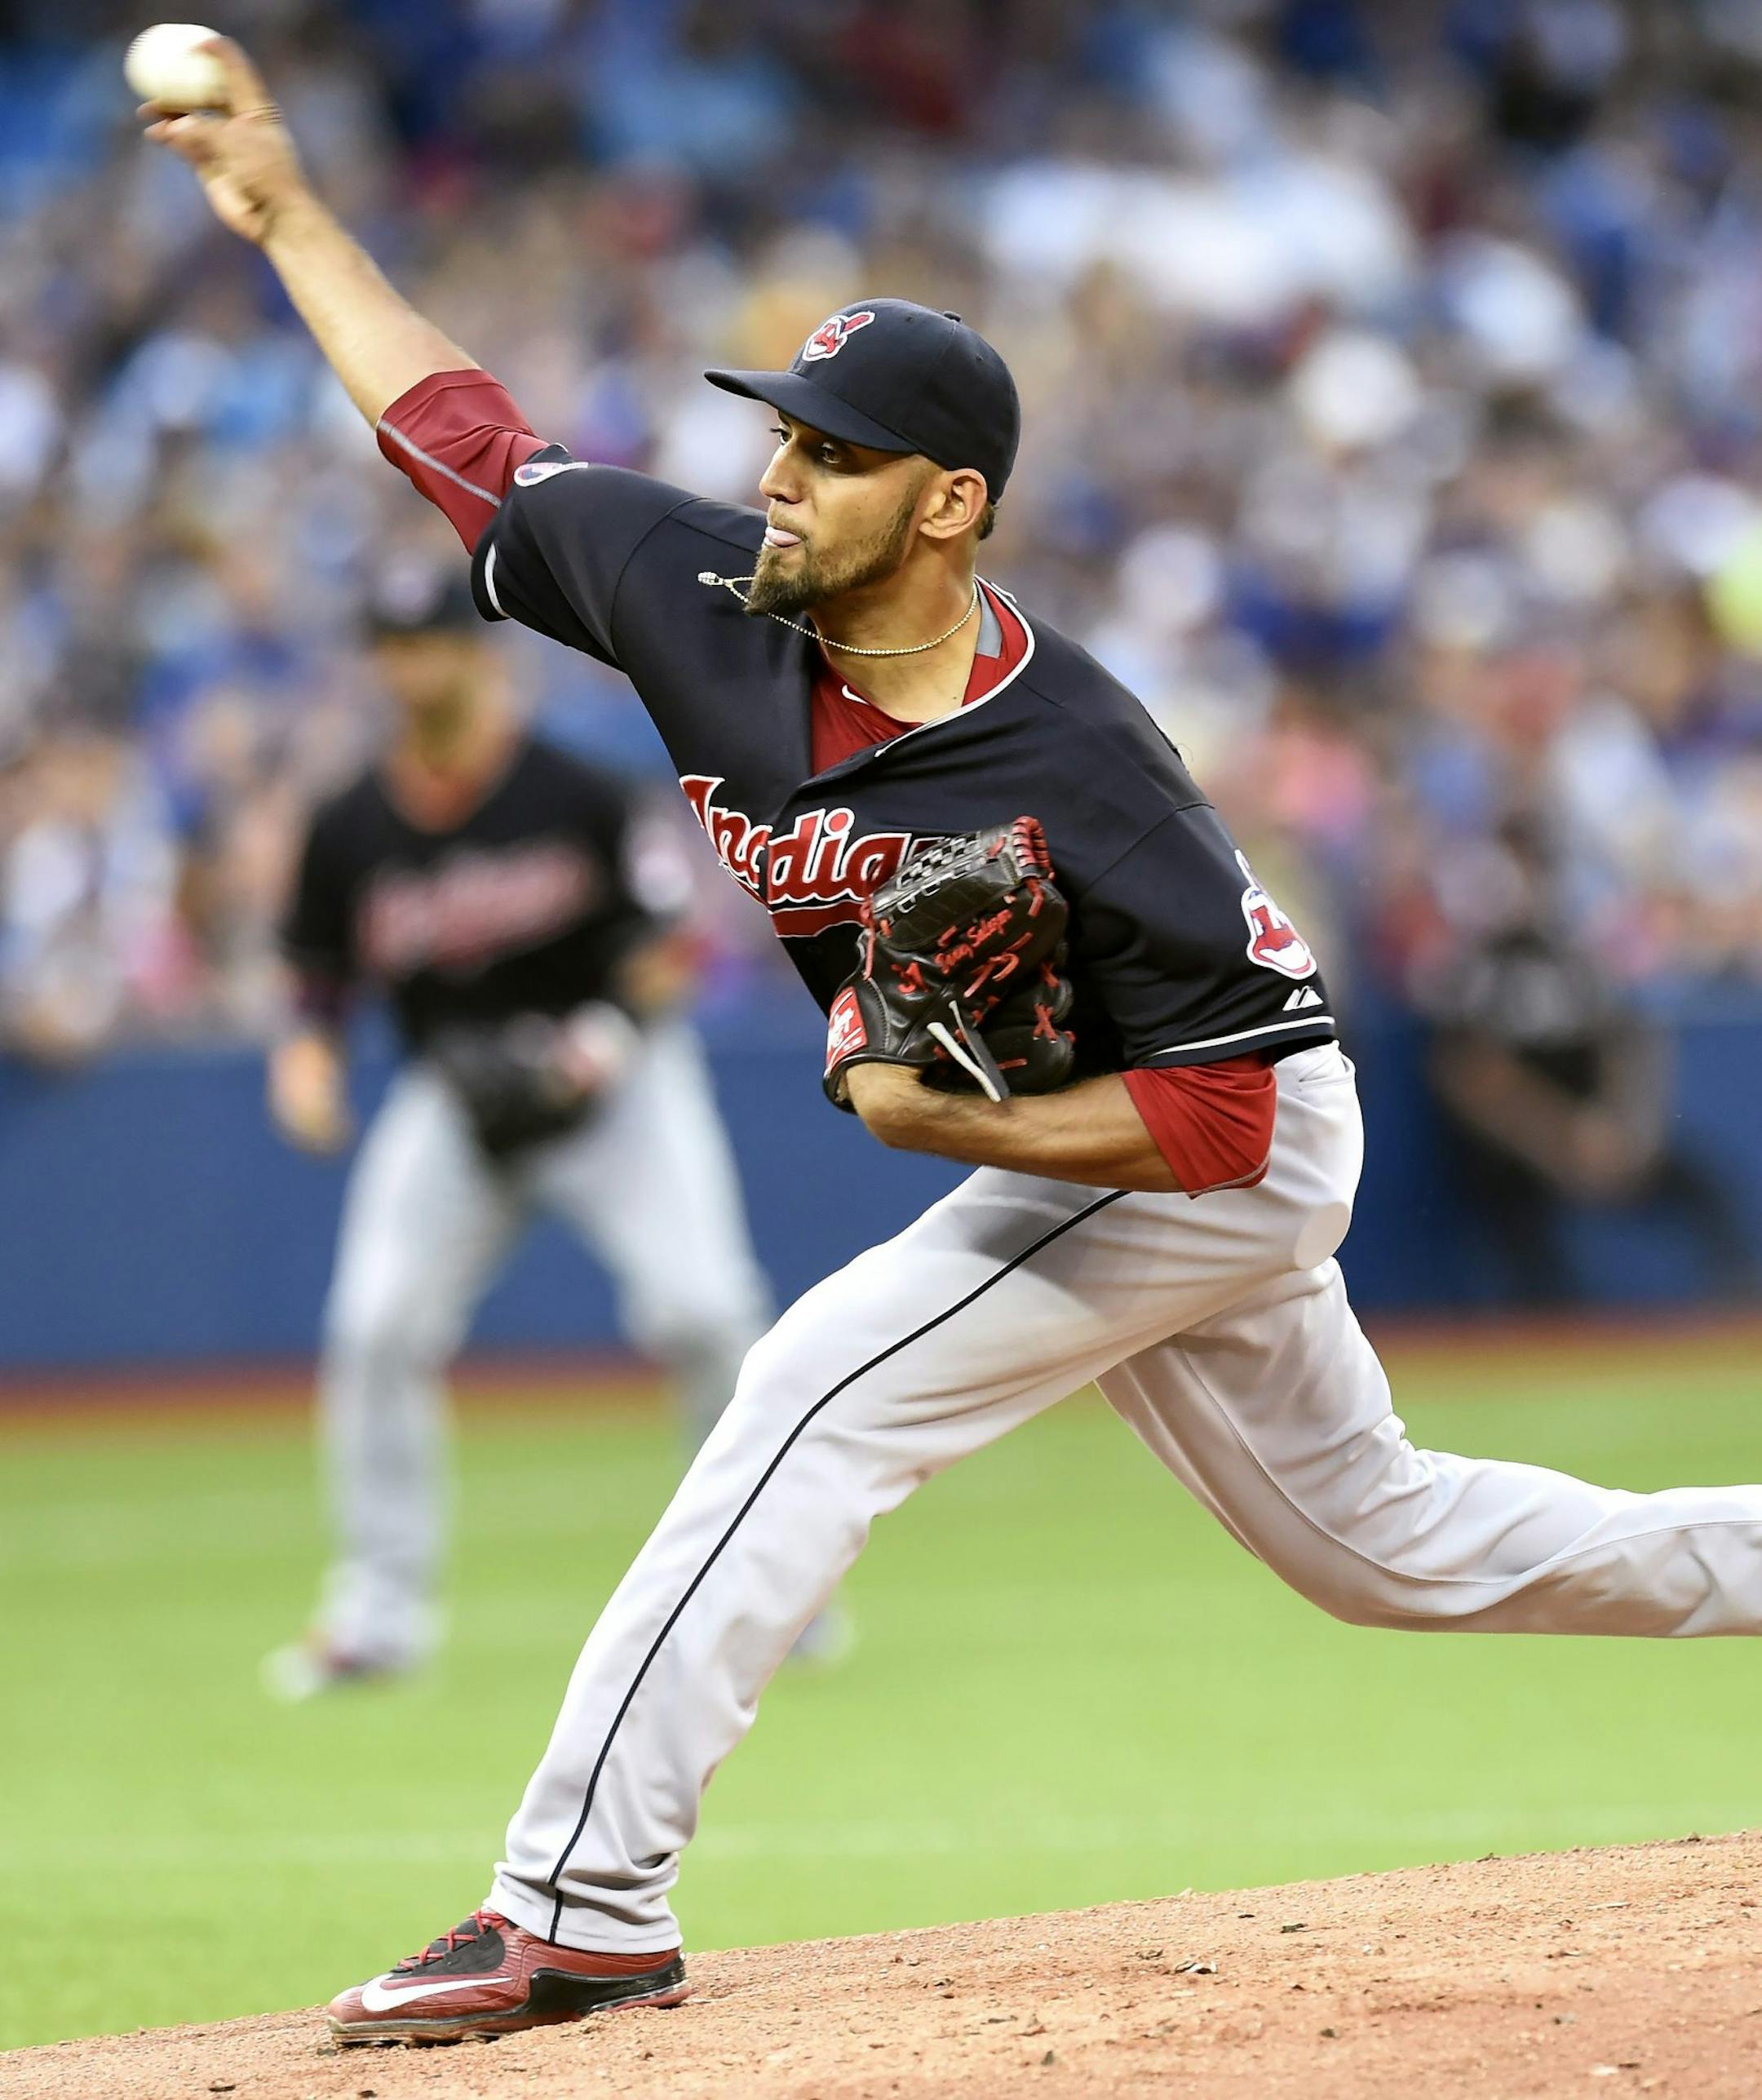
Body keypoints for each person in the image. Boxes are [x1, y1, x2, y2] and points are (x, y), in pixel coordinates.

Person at [147, 46, 1762, 2048]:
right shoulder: (700, 597)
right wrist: (293, 210)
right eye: (778, 437)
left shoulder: (1082, 766)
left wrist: (921, 1101)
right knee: (1390, 1547)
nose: (774, 476)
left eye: (823, 452)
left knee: (815, 1385)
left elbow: (1215, 1108)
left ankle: (576, 1902)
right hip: (1122, 1116)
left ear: (948, 499)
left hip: (1223, 1131)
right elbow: (465, 439)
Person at [262, 560, 775, 1697]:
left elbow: (681, 944)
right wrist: (305, 1063)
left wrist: (599, 1036)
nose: (412, 667)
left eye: (431, 644)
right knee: (378, 1328)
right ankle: (377, 1612)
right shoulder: (347, 822)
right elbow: (314, 978)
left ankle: (768, 1588)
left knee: (705, 1311)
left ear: (477, 655)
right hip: (459, 1101)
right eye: (393, 648)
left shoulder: (577, 790)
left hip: (614, 1083)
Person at [1423, 813, 1755, 1307]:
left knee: (1708, 1190)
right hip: (1519, 1151)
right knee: (1518, 1228)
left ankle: (1734, 1317)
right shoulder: (1473, 970)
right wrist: (1559, 1139)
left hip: (1595, 1130)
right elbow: (1472, 1078)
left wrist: (1621, 1130)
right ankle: (1540, 1334)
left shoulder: (1575, 958)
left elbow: (1630, 1044)